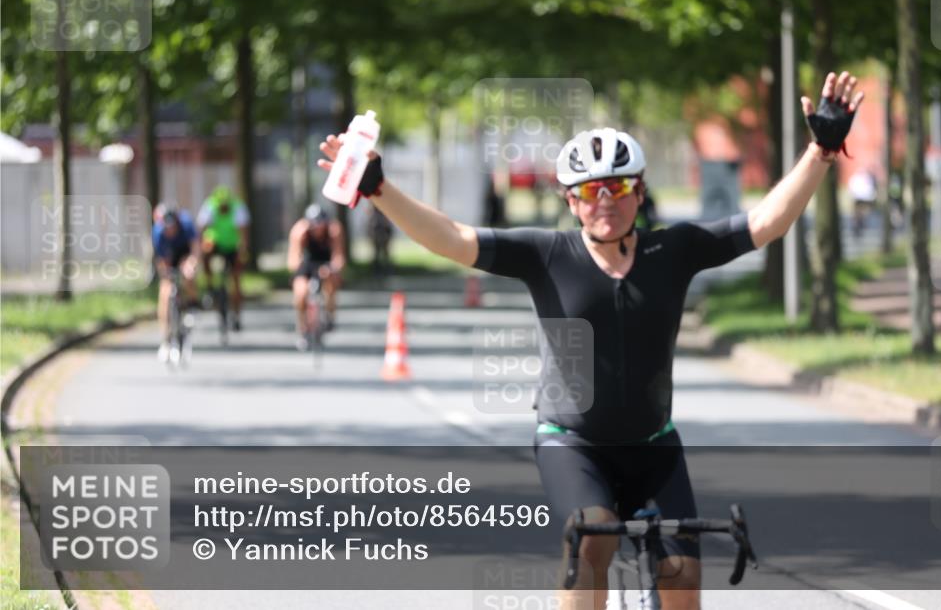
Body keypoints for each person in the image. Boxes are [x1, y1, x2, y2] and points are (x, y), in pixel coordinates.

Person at [317, 71, 863, 610]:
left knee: (683, 574)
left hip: (654, 444)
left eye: (620, 187)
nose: (607, 200)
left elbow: (766, 222)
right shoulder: (547, 255)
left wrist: (820, 149)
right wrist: (379, 190)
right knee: (591, 537)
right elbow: (452, 238)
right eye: (592, 191)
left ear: (640, 192)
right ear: (572, 201)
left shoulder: (673, 251)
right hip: (572, 443)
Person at [287, 203, 345, 350]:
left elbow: (339, 257)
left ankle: (329, 314)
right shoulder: (300, 231)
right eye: (314, 225)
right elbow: (292, 260)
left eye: (321, 225)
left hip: (325, 262)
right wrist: (299, 269)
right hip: (306, 264)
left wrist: (333, 269)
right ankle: (302, 329)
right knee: (300, 293)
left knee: (332, 281)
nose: (318, 228)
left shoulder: (334, 230)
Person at [196, 185, 250, 331]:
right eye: (221, 206)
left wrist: (242, 251)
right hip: (216, 244)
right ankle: (209, 286)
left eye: (225, 206)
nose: (223, 209)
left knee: (236, 280)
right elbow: (202, 227)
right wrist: (201, 247)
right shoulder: (210, 206)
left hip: (232, 246)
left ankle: (237, 315)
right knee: (205, 252)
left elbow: (243, 233)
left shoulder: (238, 208)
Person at [151, 202, 199, 362]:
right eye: (167, 228)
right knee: (165, 293)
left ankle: (191, 306)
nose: (170, 231)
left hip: (184, 253)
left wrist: (191, 264)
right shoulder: (158, 232)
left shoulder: (186, 225)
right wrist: (166, 276)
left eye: (172, 227)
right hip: (169, 257)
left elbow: (195, 250)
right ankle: (165, 340)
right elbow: (161, 260)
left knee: (189, 275)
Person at [848, 163, 878, 237]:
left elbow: (851, 187)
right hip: (862, 198)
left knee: (860, 214)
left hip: (861, 198)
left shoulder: (860, 177)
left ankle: (858, 225)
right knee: (861, 214)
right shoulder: (866, 177)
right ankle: (858, 225)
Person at [367, 203, 393, 278]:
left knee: (385, 255)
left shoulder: (384, 214)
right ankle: (377, 272)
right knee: (377, 255)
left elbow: (388, 228)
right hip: (377, 236)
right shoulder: (374, 215)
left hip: (383, 236)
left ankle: (387, 271)